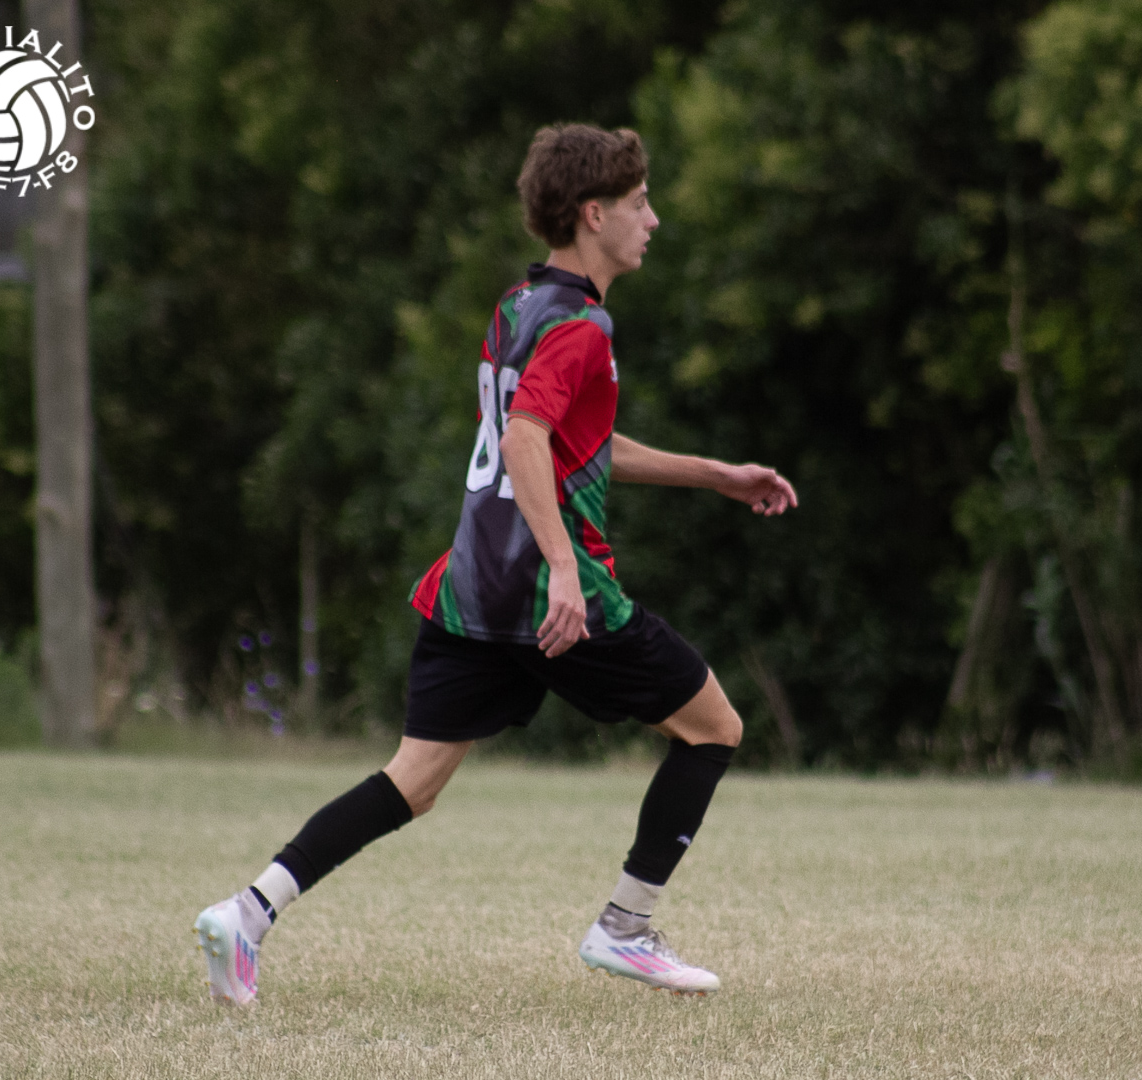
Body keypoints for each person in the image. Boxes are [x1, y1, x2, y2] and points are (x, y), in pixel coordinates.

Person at [193, 123, 798, 1004]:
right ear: (593, 214)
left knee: (413, 782)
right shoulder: (583, 325)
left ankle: (247, 912)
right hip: (549, 592)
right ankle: (625, 928)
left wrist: (714, 475)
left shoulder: (519, 306)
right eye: (639, 203)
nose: (653, 220)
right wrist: (564, 569)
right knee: (716, 728)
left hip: (473, 586)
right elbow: (523, 440)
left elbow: (571, 442)